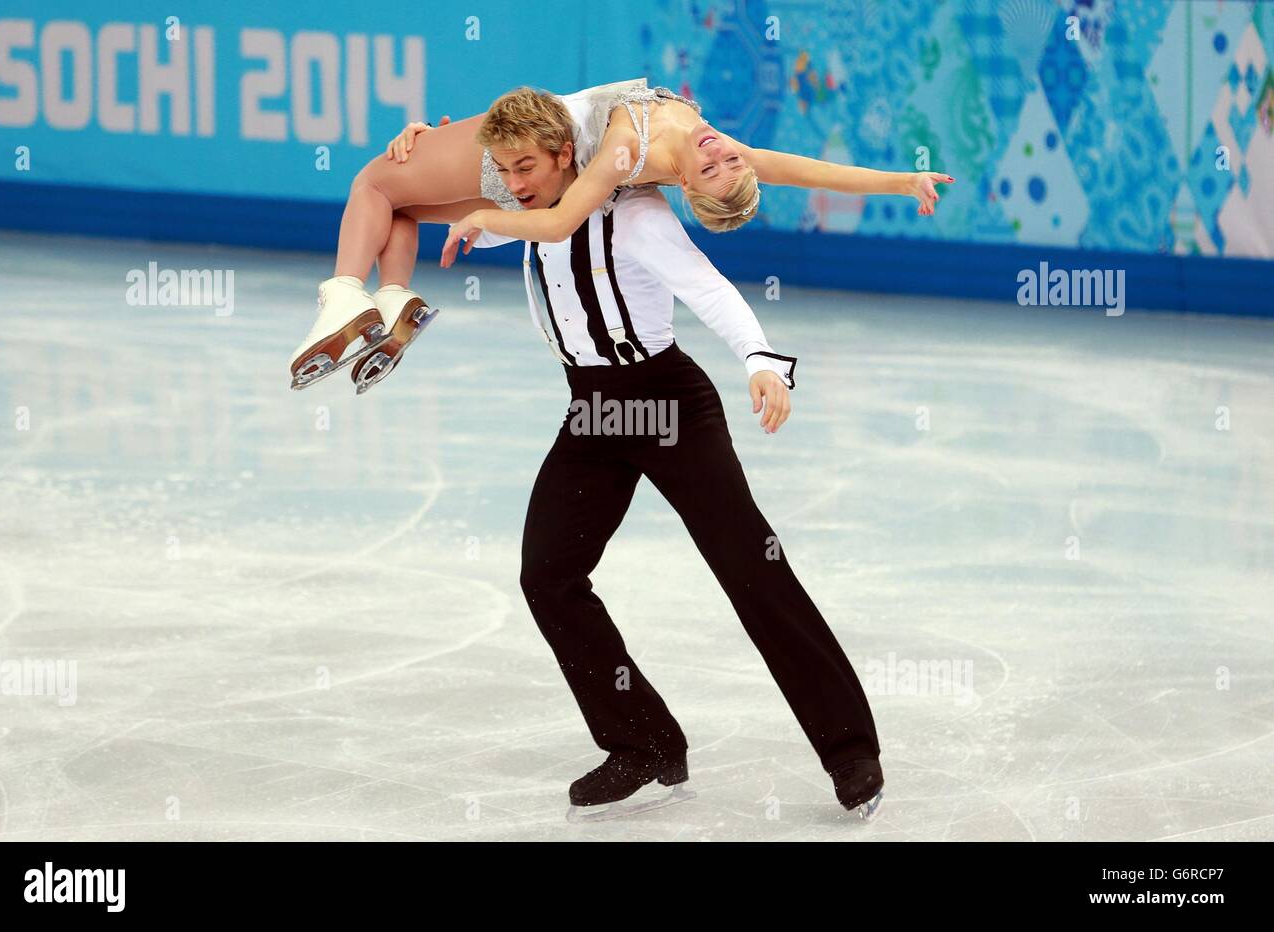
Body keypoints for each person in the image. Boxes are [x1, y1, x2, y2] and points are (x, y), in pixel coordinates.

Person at [423, 89, 884, 820]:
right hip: (597, 409)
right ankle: (644, 743)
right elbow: (440, 204)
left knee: (750, 566)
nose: (511, 185)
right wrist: (420, 141)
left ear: (566, 157)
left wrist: (764, 360)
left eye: (524, 170)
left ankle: (851, 750)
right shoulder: (529, 207)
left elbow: (708, 286)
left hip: (668, 404)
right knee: (548, 575)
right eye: (505, 173)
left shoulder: (636, 216)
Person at [288, 78, 953, 395]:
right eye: (730, 163)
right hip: (533, 152)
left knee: (375, 183)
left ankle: (344, 295)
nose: (722, 155)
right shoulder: (715, 145)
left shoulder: (629, 151)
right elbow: (808, 170)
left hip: (527, 144)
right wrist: (903, 181)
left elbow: (556, 222)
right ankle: (394, 298)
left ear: (688, 189)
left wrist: (487, 218)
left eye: (713, 170)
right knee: (402, 209)